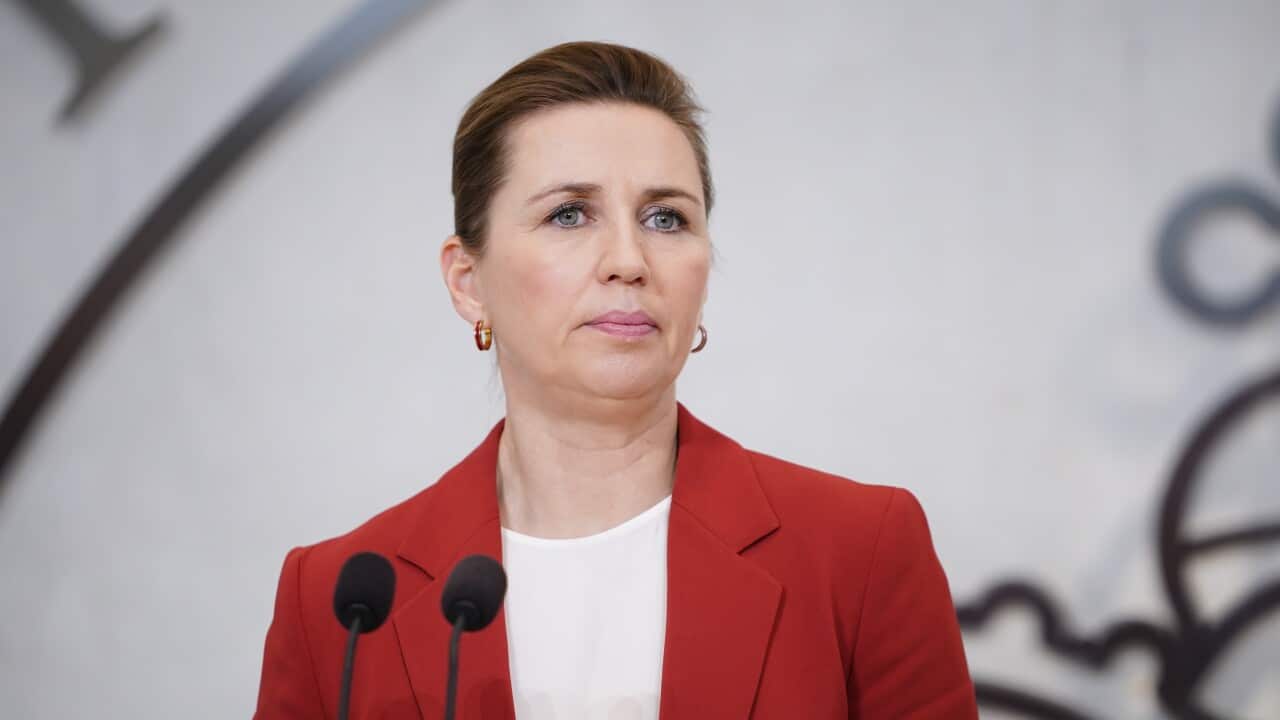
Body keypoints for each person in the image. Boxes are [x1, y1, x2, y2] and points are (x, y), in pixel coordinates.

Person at [254, 41, 977, 719]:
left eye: (666, 218)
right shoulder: (336, 600)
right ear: (468, 280)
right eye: (570, 214)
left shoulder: (861, 552)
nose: (629, 259)